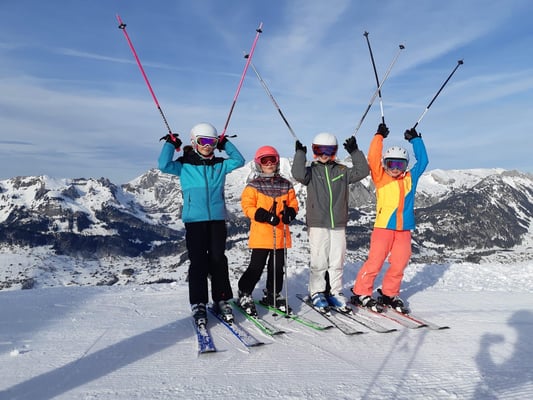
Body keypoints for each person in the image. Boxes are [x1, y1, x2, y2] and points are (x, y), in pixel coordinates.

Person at [158, 122, 245, 326]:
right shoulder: (184, 165)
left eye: (212, 142)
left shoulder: (220, 165)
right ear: (194, 142)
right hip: (194, 221)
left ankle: (221, 298)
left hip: (217, 220)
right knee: (197, 262)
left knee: (218, 259)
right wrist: (170, 145)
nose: (207, 146)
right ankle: (198, 302)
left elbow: (239, 161)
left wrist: (226, 144)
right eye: (203, 141)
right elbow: (163, 165)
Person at [350, 123, 428, 313]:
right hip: (383, 227)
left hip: (404, 229)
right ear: (385, 164)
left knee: (400, 262)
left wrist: (416, 140)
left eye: (399, 164)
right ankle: (361, 292)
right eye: (391, 164)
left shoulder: (410, 178)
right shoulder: (380, 177)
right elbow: (373, 158)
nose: (395, 168)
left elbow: (423, 161)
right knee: (375, 261)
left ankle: (389, 293)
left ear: (405, 166)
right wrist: (379, 136)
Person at [291, 132, 370, 313]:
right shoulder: (311, 172)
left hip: (338, 222)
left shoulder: (342, 171)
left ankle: (335, 292)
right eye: (320, 150)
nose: (324, 155)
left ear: (335, 152)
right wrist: (300, 154)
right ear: (314, 151)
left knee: (337, 260)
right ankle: (317, 291)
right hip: (318, 223)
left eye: (329, 151)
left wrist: (355, 152)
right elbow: (298, 174)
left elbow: (363, 171)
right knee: (319, 259)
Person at [237, 146, 299, 316]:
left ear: (277, 162)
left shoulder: (286, 184)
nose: (269, 164)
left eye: (273, 160)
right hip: (261, 235)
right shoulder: (254, 185)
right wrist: (262, 215)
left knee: (277, 268)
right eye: (265, 161)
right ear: (259, 164)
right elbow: (247, 206)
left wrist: (290, 212)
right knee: (256, 267)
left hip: (280, 234)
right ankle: (244, 292)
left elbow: (293, 203)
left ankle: (273, 294)